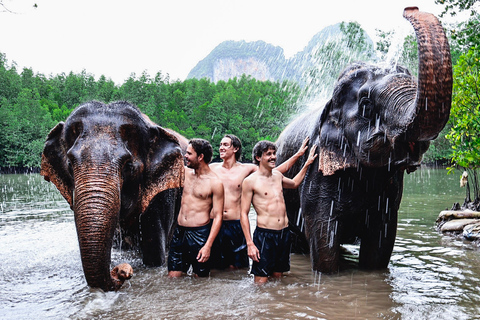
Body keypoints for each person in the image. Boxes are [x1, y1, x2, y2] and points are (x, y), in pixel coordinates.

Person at [209, 134, 310, 269]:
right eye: (220, 145)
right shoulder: (212, 168)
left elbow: (273, 171)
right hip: (215, 222)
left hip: (236, 223)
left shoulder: (247, 169)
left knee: (237, 268)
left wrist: (299, 155)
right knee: (213, 265)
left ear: (235, 149)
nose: (221, 148)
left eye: (225, 145)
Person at [240, 140, 317, 283]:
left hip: (284, 233)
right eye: (268, 154)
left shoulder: (277, 176)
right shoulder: (250, 181)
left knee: (278, 278)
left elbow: (294, 183)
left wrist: (307, 163)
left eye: (274, 153)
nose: (273, 157)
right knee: (261, 281)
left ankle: (276, 304)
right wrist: (250, 243)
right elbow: (243, 214)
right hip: (265, 236)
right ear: (258, 157)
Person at [167, 138, 224, 277]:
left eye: (189, 153)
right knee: (173, 278)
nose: (185, 156)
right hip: (179, 232)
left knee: (200, 279)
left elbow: (218, 216)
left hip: (200, 235)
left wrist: (208, 246)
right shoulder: (185, 173)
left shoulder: (215, 183)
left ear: (200, 157)